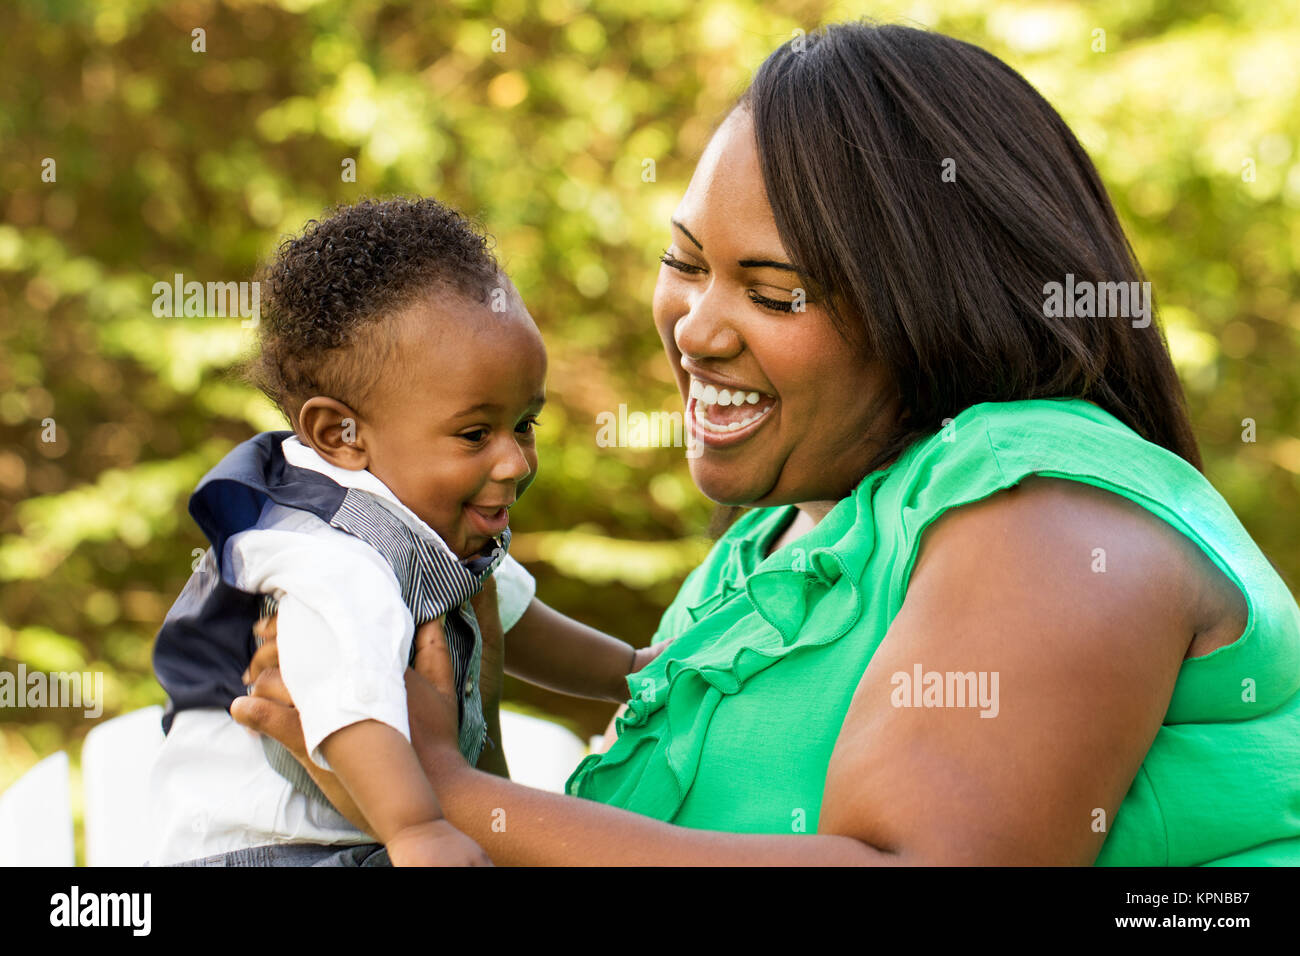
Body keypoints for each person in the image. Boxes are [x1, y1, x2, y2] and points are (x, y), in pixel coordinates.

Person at [234, 22, 1300, 865]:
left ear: (940, 305)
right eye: (685, 261)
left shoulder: (1043, 504)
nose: (696, 326)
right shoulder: (766, 553)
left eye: (775, 290)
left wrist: (439, 792)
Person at [148, 197, 662, 867]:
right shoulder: (332, 555)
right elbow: (345, 702)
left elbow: (512, 614)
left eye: (525, 424)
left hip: (361, 832)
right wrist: (419, 828)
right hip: (269, 851)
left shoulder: (418, 526)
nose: (515, 461)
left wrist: (627, 673)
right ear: (340, 433)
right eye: (476, 434)